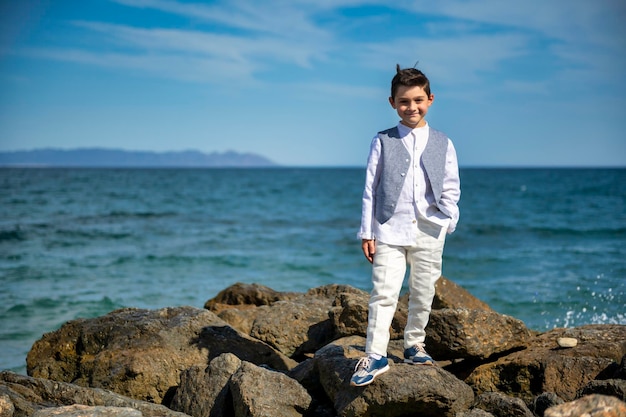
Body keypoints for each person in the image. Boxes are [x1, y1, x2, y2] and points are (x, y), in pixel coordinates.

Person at [350, 64, 461, 387]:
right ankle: (375, 354)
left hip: (430, 229)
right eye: (403, 101)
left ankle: (414, 343)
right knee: (384, 292)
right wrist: (367, 231)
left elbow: (451, 185)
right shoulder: (382, 140)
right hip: (388, 229)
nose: (411, 107)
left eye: (417, 100)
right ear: (392, 103)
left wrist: (448, 220)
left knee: (423, 291)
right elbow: (371, 187)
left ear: (430, 99)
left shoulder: (443, 142)